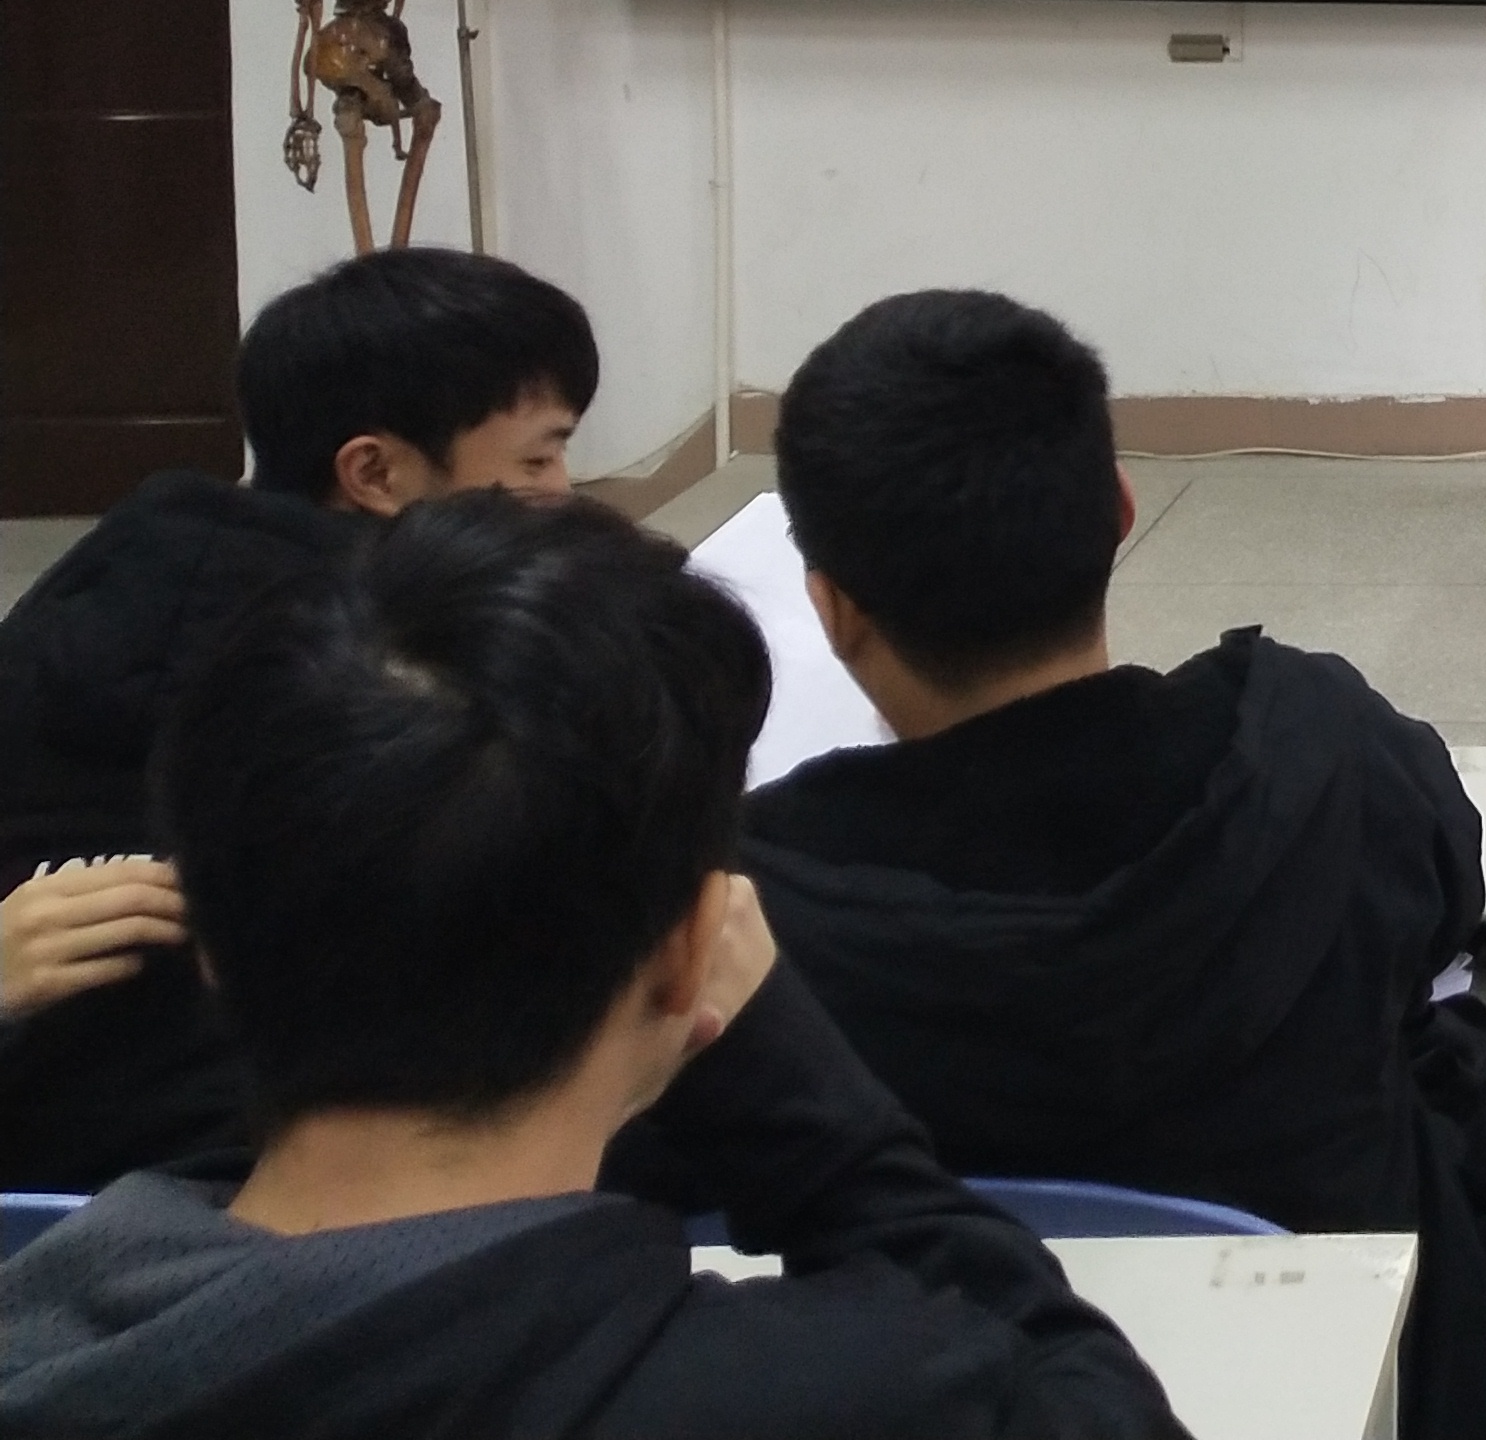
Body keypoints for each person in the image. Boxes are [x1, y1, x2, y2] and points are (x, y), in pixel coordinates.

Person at [0, 491, 1178, 1440]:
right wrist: (811, 1115)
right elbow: (1091, 1398)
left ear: (210, 940)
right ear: (688, 957)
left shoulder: (47, 1331)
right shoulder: (829, 1392)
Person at [739, 288, 1486, 1440]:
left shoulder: (729, 920)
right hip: (1344, 1380)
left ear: (832, 609)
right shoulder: (1325, 754)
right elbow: (1450, 895)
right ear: (1120, 510)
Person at [0, 247, 589, 1190]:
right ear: (375, 473)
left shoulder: (102, 588)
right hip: (273, 1172)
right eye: (537, 457)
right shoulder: (392, 666)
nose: (562, 490)